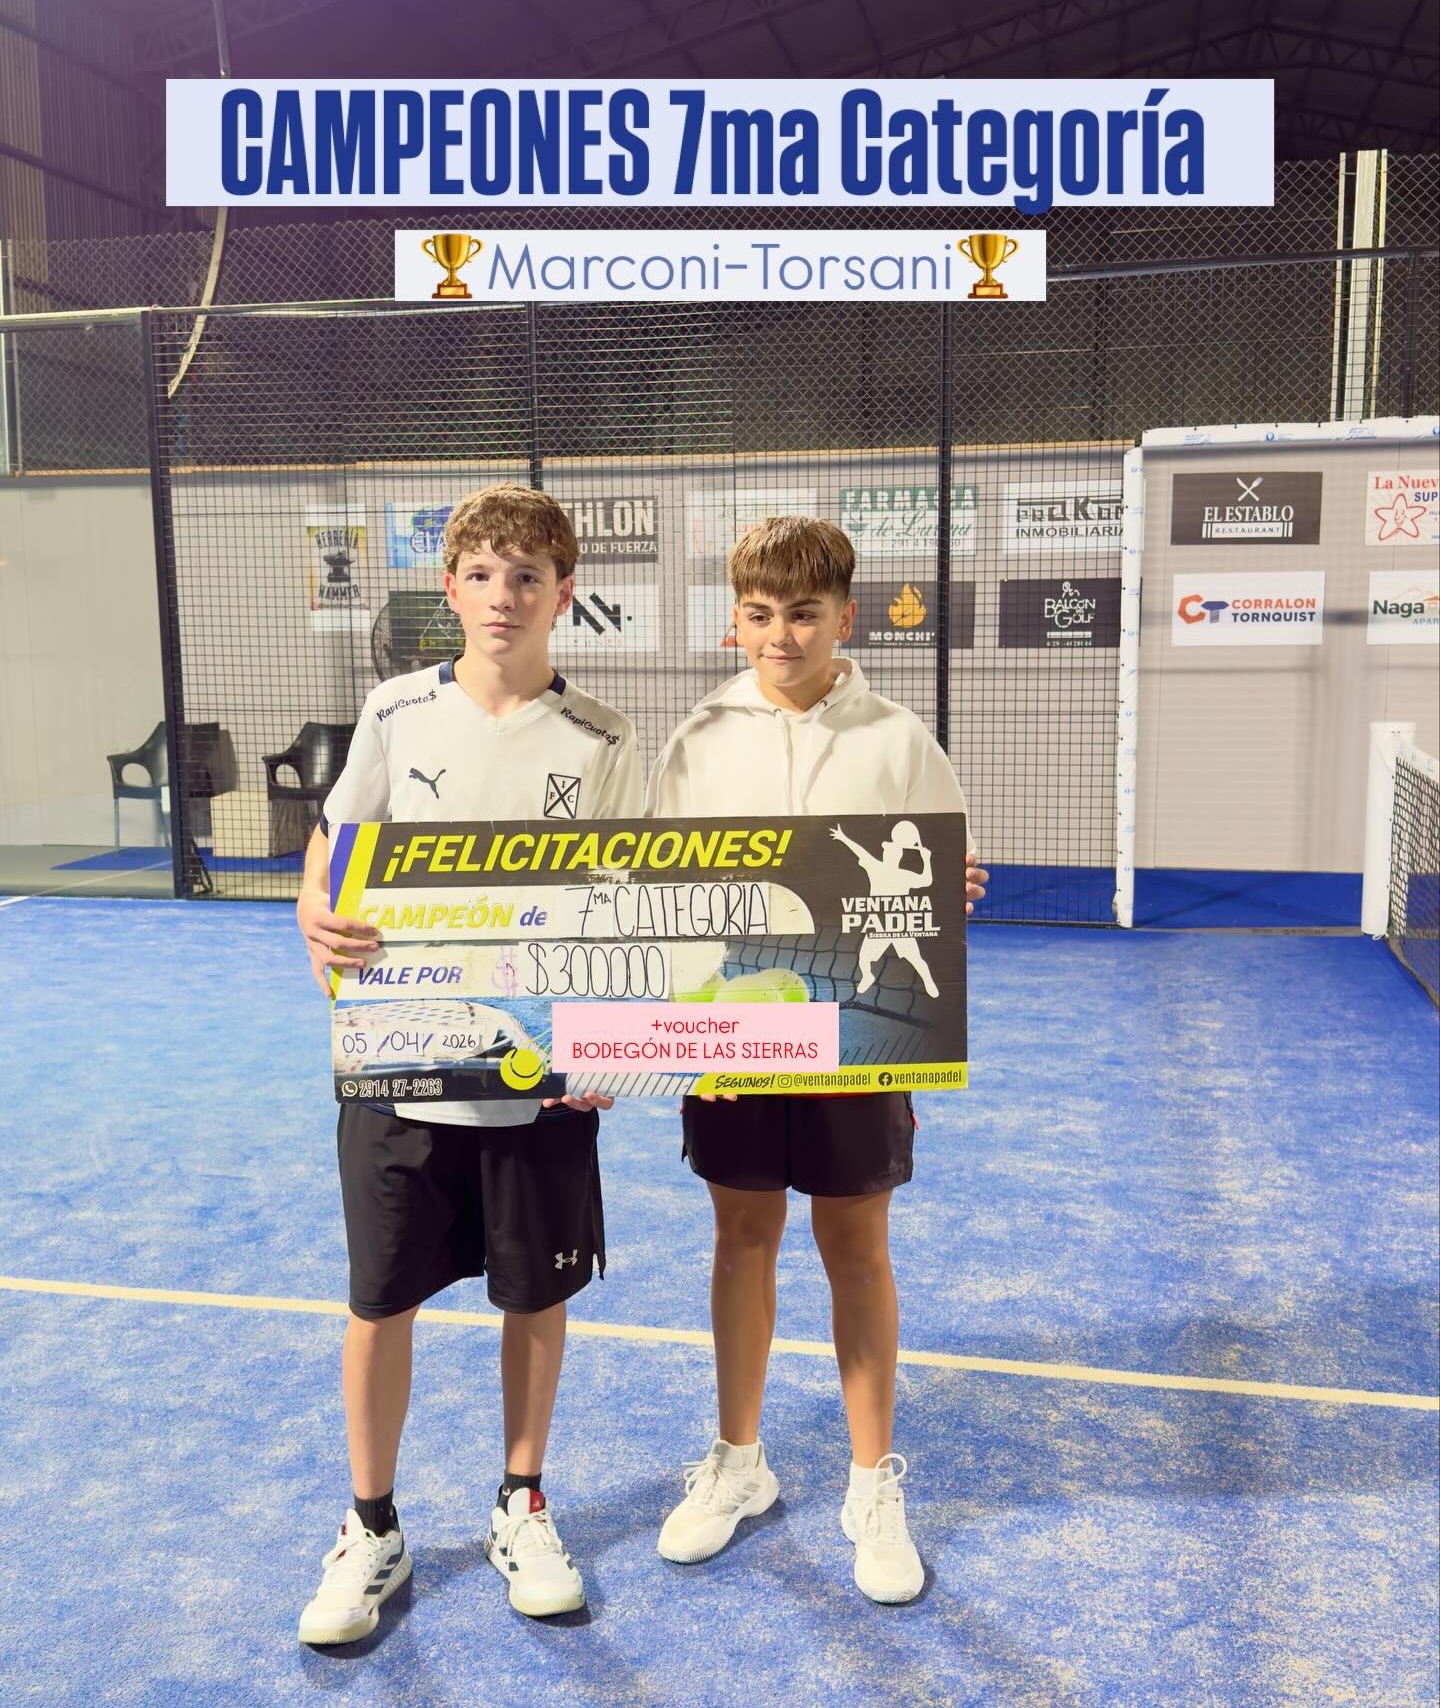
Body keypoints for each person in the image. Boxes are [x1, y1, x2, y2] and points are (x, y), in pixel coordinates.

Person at [293, 484, 641, 1641]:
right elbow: (331, 850)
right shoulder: (394, 712)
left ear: (564, 593)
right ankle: (371, 1527)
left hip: (541, 1072)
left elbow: (629, 903)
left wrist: (611, 1033)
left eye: (528, 576)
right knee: (379, 1296)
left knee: (536, 1293)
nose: (504, 596)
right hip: (400, 1057)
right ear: (451, 588)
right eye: (483, 574)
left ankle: (521, 1501)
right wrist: (310, 911)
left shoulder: (604, 737)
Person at [646, 515, 985, 1605]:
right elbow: (661, 894)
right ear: (735, 618)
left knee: (856, 1247)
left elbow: (934, 892)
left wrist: (951, 891)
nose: (780, 635)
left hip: (858, 1035)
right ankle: (740, 1462)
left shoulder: (899, 738)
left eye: (803, 612)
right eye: (759, 613)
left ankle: (871, 1483)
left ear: (845, 615)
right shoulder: (698, 737)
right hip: (735, 1034)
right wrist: (681, 1023)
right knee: (742, 1237)